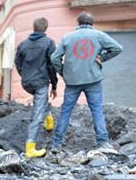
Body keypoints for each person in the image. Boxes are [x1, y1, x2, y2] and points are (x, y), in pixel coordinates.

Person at [50, 11, 123, 154]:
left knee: (66, 112)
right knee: (96, 111)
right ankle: (102, 142)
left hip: (72, 81)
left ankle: (56, 145)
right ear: (91, 23)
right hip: (93, 80)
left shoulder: (67, 37)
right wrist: (102, 57)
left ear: (78, 22)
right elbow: (117, 48)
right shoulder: (99, 35)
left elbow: (54, 58)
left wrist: (63, 72)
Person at [14, 17, 58, 158]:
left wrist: (24, 75)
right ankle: (30, 148)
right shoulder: (49, 43)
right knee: (36, 116)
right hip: (40, 82)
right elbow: (52, 65)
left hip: (27, 83)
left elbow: (17, 63)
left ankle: (49, 120)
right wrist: (54, 84)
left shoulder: (23, 44)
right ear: (45, 28)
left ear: (33, 27)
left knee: (41, 100)